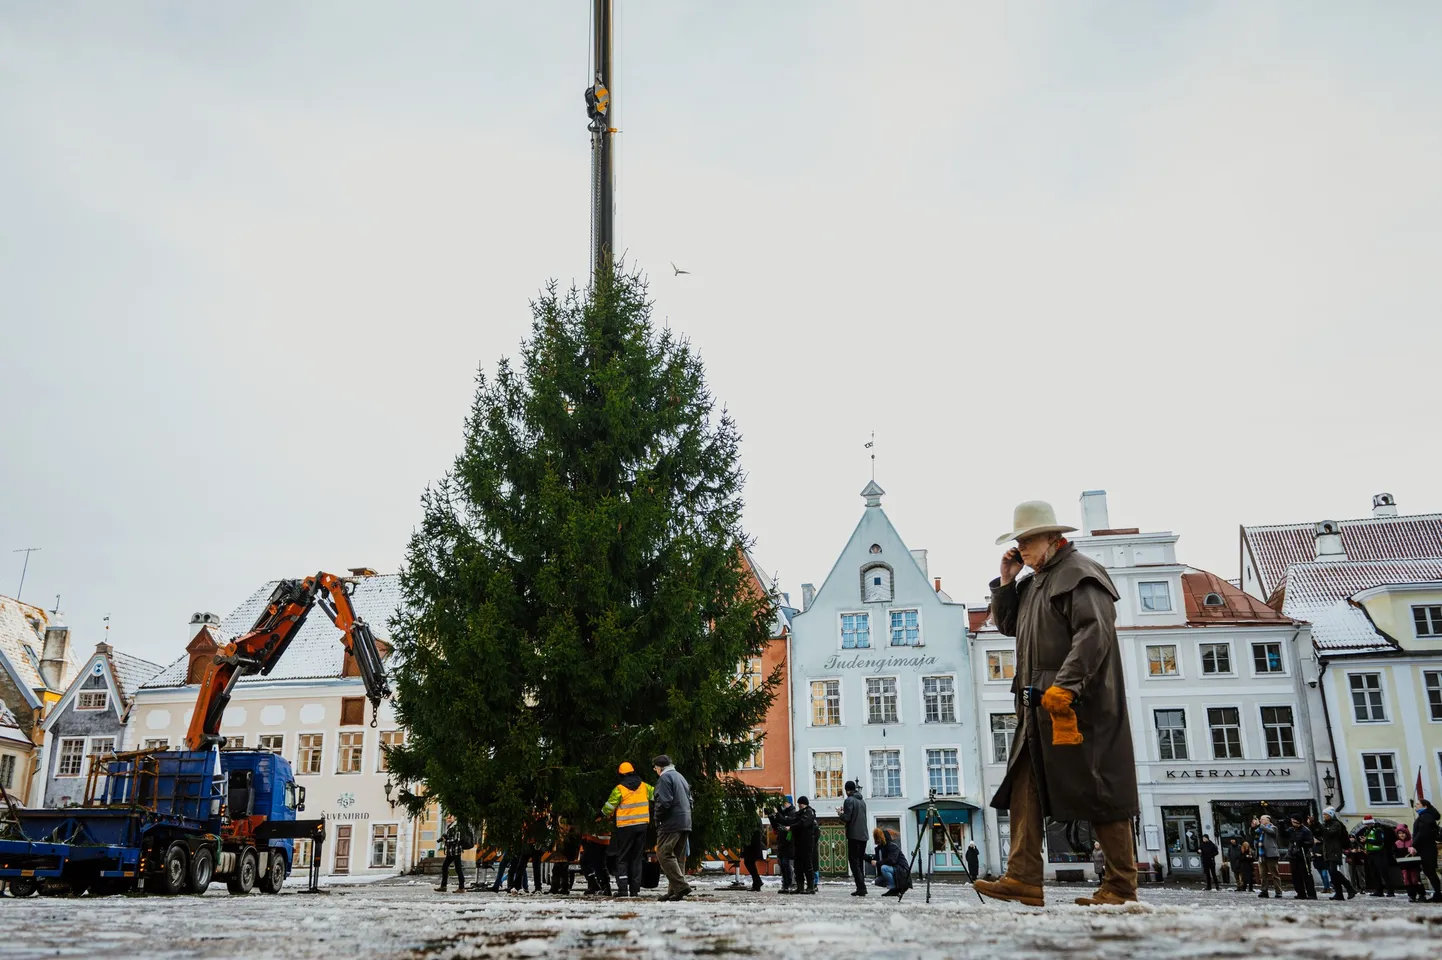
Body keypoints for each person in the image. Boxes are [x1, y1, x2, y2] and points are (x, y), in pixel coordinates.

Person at [975, 502, 1140, 908]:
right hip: (1038, 709)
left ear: (1053, 537)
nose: (1022, 548)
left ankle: (1120, 886)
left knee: (1101, 788)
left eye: (1027, 540)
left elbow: (1093, 633)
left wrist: (1066, 688)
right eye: (1018, 542)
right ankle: (1024, 877)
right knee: (1023, 786)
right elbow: (1010, 626)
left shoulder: (1078, 573)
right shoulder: (1035, 582)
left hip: (1080, 707)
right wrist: (1007, 581)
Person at [601, 761, 652, 899]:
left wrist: (600, 814)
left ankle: (623, 889)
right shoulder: (644, 786)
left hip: (625, 828)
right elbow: (656, 796)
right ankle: (635, 890)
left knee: (622, 858)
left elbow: (609, 807)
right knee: (637, 858)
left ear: (620, 774)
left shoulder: (619, 789)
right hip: (642, 826)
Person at [651, 754, 694, 901]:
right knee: (678, 856)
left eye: (655, 768)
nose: (655, 770)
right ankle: (674, 891)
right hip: (685, 821)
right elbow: (690, 800)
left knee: (663, 854)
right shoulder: (680, 777)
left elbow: (664, 802)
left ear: (659, 767)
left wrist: (657, 818)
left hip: (670, 823)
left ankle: (681, 886)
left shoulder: (664, 779)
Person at [838, 780, 869, 897]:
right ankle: (861, 887)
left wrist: (840, 814)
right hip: (863, 835)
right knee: (859, 862)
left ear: (847, 790)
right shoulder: (862, 801)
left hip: (854, 835)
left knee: (853, 862)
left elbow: (847, 818)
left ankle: (861, 887)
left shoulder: (849, 800)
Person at [1318, 808, 1355, 901]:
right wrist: (1313, 825)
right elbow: (1319, 834)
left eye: (1325, 814)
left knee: (1334, 871)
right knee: (1332, 873)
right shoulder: (1326, 825)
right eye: (1323, 814)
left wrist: (1319, 826)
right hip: (1328, 851)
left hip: (1335, 850)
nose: (1324, 816)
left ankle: (1349, 887)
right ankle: (1339, 894)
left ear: (1330, 815)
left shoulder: (1336, 824)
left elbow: (1329, 833)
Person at [1414, 798, 1441, 903]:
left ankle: (1438, 894)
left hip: (1427, 848)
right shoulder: (1425, 816)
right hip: (1426, 848)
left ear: (1424, 806)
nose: (1415, 805)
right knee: (1429, 871)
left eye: (1418, 804)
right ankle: (1437, 894)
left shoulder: (1425, 817)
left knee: (1430, 871)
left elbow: (1422, 833)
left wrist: (1413, 845)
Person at [871, 827, 911, 897]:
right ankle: (895, 888)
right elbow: (874, 860)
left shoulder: (892, 846)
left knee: (884, 868)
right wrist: (863, 856)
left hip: (902, 871)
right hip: (894, 869)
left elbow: (891, 860)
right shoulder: (880, 849)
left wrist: (877, 863)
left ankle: (893, 889)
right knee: (877, 881)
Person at [1360, 815, 1393, 897]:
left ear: (1372, 822)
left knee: (1383, 872)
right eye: (1366, 824)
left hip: (1379, 853)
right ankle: (1379, 890)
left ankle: (1390, 891)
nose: (1367, 825)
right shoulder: (1367, 831)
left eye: (1368, 824)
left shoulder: (1378, 830)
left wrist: (1367, 840)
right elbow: (1369, 842)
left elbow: (1379, 841)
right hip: (1370, 854)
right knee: (1374, 873)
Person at [771, 796, 798, 894]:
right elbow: (776, 825)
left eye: (785, 802)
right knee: (781, 864)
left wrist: (777, 813)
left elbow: (785, 821)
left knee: (786, 863)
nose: (783, 804)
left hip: (788, 842)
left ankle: (789, 884)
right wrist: (772, 815)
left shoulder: (793, 813)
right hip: (781, 841)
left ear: (789, 803)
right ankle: (785, 884)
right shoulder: (783, 812)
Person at [792, 796, 818, 895]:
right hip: (798, 843)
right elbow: (794, 821)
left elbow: (803, 824)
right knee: (798, 866)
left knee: (807, 865)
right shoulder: (799, 813)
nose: (799, 806)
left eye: (800, 804)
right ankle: (800, 887)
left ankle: (810, 887)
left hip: (806, 843)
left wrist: (791, 827)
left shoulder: (809, 813)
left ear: (804, 804)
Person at [1253, 816, 1284, 898]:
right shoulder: (1260, 829)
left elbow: (1270, 832)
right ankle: (1264, 890)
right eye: (1260, 819)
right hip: (1261, 855)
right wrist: (1255, 826)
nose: (1260, 820)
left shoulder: (1273, 828)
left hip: (1271, 854)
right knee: (1262, 874)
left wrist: (1260, 825)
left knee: (1275, 874)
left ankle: (1278, 891)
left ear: (1268, 820)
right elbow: (1254, 832)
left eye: (1262, 819)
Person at [1287, 816, 1317, 899]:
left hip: (1302, 855)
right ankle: (1300, 893)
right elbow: (1284, 835)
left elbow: (1311, 842)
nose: (1293, 823)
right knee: (1295, 876)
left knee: (1306, 874)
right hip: (1293, 854)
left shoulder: (1305, 830)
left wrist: (1302, 843)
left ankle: (1311, 893)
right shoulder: (1292, 829)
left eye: (1294, 821)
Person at [435, 817, 468, 893]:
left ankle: (461, 887)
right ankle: (443, 886)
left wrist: (446, 839)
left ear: (455, 818)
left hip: (455, 851)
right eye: (447, 817)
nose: (448, 818)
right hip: (451, 852)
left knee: (458, 869)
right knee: (445, 867)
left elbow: (456, 839)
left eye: (451, 817)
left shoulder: (456, 827)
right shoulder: (450, 827)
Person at [1395, 823, 1424, 902]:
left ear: (1406, 833)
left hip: (1414, 865)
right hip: (1404, 865)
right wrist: (1406, 850)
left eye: (1403, 833)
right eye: (1399, 833)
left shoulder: (1412, 842)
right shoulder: (1397, 843)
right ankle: (1411, 895)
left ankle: (1421, 894)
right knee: (1407, 880)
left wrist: (1414, 851)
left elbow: (1418, 852)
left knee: (1415, 880)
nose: (1401, 835)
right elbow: (1395, 853)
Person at [741, 817, 764, 892]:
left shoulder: (752, 818)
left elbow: (751, 831)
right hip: (753, 844)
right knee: (750, 863)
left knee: (749, 862)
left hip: (752, 844)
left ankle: (757, 882)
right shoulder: (755, 818)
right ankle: (756, 884)